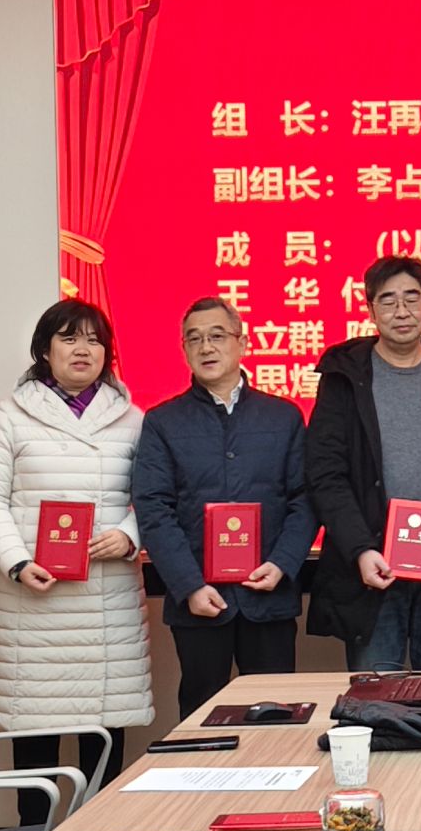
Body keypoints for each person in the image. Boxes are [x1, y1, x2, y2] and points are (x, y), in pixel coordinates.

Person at [0, 300, 151, 824]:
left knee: (103, 745)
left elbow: (156, 496)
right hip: (34, 605)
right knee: (36, 750)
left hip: (108, 602)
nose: (82, 349)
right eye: (69, 338)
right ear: (44, 350)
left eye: (94, 340)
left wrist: (128, 535)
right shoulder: (10, 416)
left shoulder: (132, 419)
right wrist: (17, 561)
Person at [305, 256, 421, 671]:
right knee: (376, 695)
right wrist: (360, 549)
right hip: (373, 567)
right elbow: (325, 474)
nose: (402, 311)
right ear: (370, 309)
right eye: (388, 300)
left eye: (412, 298)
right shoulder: (342, 380)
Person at [132, 297, 316, 719]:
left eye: (217, 336)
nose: (206, 347)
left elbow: (305, 499)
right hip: (198, 600)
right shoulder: (163, 422)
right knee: (202, 718)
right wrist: (190, 585)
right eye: (194, 339)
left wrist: (282, 564)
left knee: (275, 716)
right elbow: (153, 508)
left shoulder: (284, 417)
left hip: (268, 594)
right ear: (184, 349)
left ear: (242, 343)